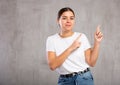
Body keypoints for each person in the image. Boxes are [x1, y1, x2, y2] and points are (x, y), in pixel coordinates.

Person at [46, 7, 103, 85]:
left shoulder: (81, 37)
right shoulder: (51, 40)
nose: (68, 21)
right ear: (58, 20)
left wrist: (97, 42)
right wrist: (70, 48)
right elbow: (52, 66)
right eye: (64, 18)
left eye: (71, 18)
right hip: (65, 81)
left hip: (84, 79)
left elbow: (91, 62)